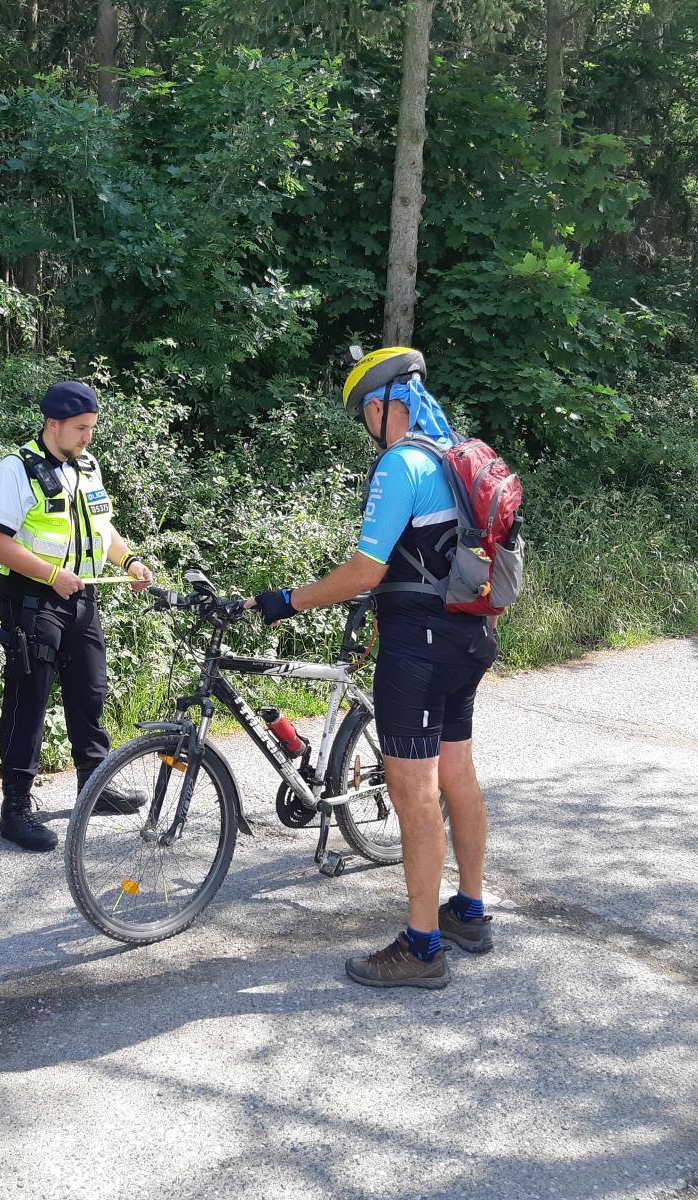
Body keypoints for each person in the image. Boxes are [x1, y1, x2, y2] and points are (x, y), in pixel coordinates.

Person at [249, 347, 498, 989]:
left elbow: (365, 570)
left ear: (387, 404)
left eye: (365, 409)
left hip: (418, 648)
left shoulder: (401, 463)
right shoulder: (458, 455)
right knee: (458, 774)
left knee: (414, 793)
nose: (366, 422)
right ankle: (469, 913)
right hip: (470, 636)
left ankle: (422, 948)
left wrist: (286, 601)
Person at [0, 380, 155, 852]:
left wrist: (130, 561)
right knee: (29, 699)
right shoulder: (16, 468)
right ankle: (15, 807)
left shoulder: (87, 465)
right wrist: (51, 574)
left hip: (82, 595)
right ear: (52, 423)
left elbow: (103, 527)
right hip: (33, 599)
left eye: (92, 427)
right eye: (80, 428)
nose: (87, 437)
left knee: (90, 691)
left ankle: (94, 786)